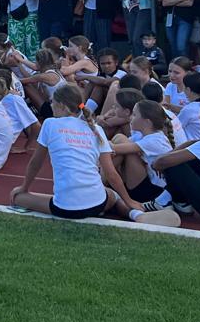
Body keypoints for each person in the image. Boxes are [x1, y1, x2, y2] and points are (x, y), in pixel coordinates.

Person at [9, 83, 178, 225]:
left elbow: (35, 163)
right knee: (112, 196)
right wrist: (129, 201)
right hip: (97, 203)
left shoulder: (50, 124)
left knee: (17, 197)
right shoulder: (96, 129)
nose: (51, 106)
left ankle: (132, 212)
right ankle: (136, 215)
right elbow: (111, 174)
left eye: (53, 102)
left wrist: (24, 188)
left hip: (65, 208)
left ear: (62, 106)